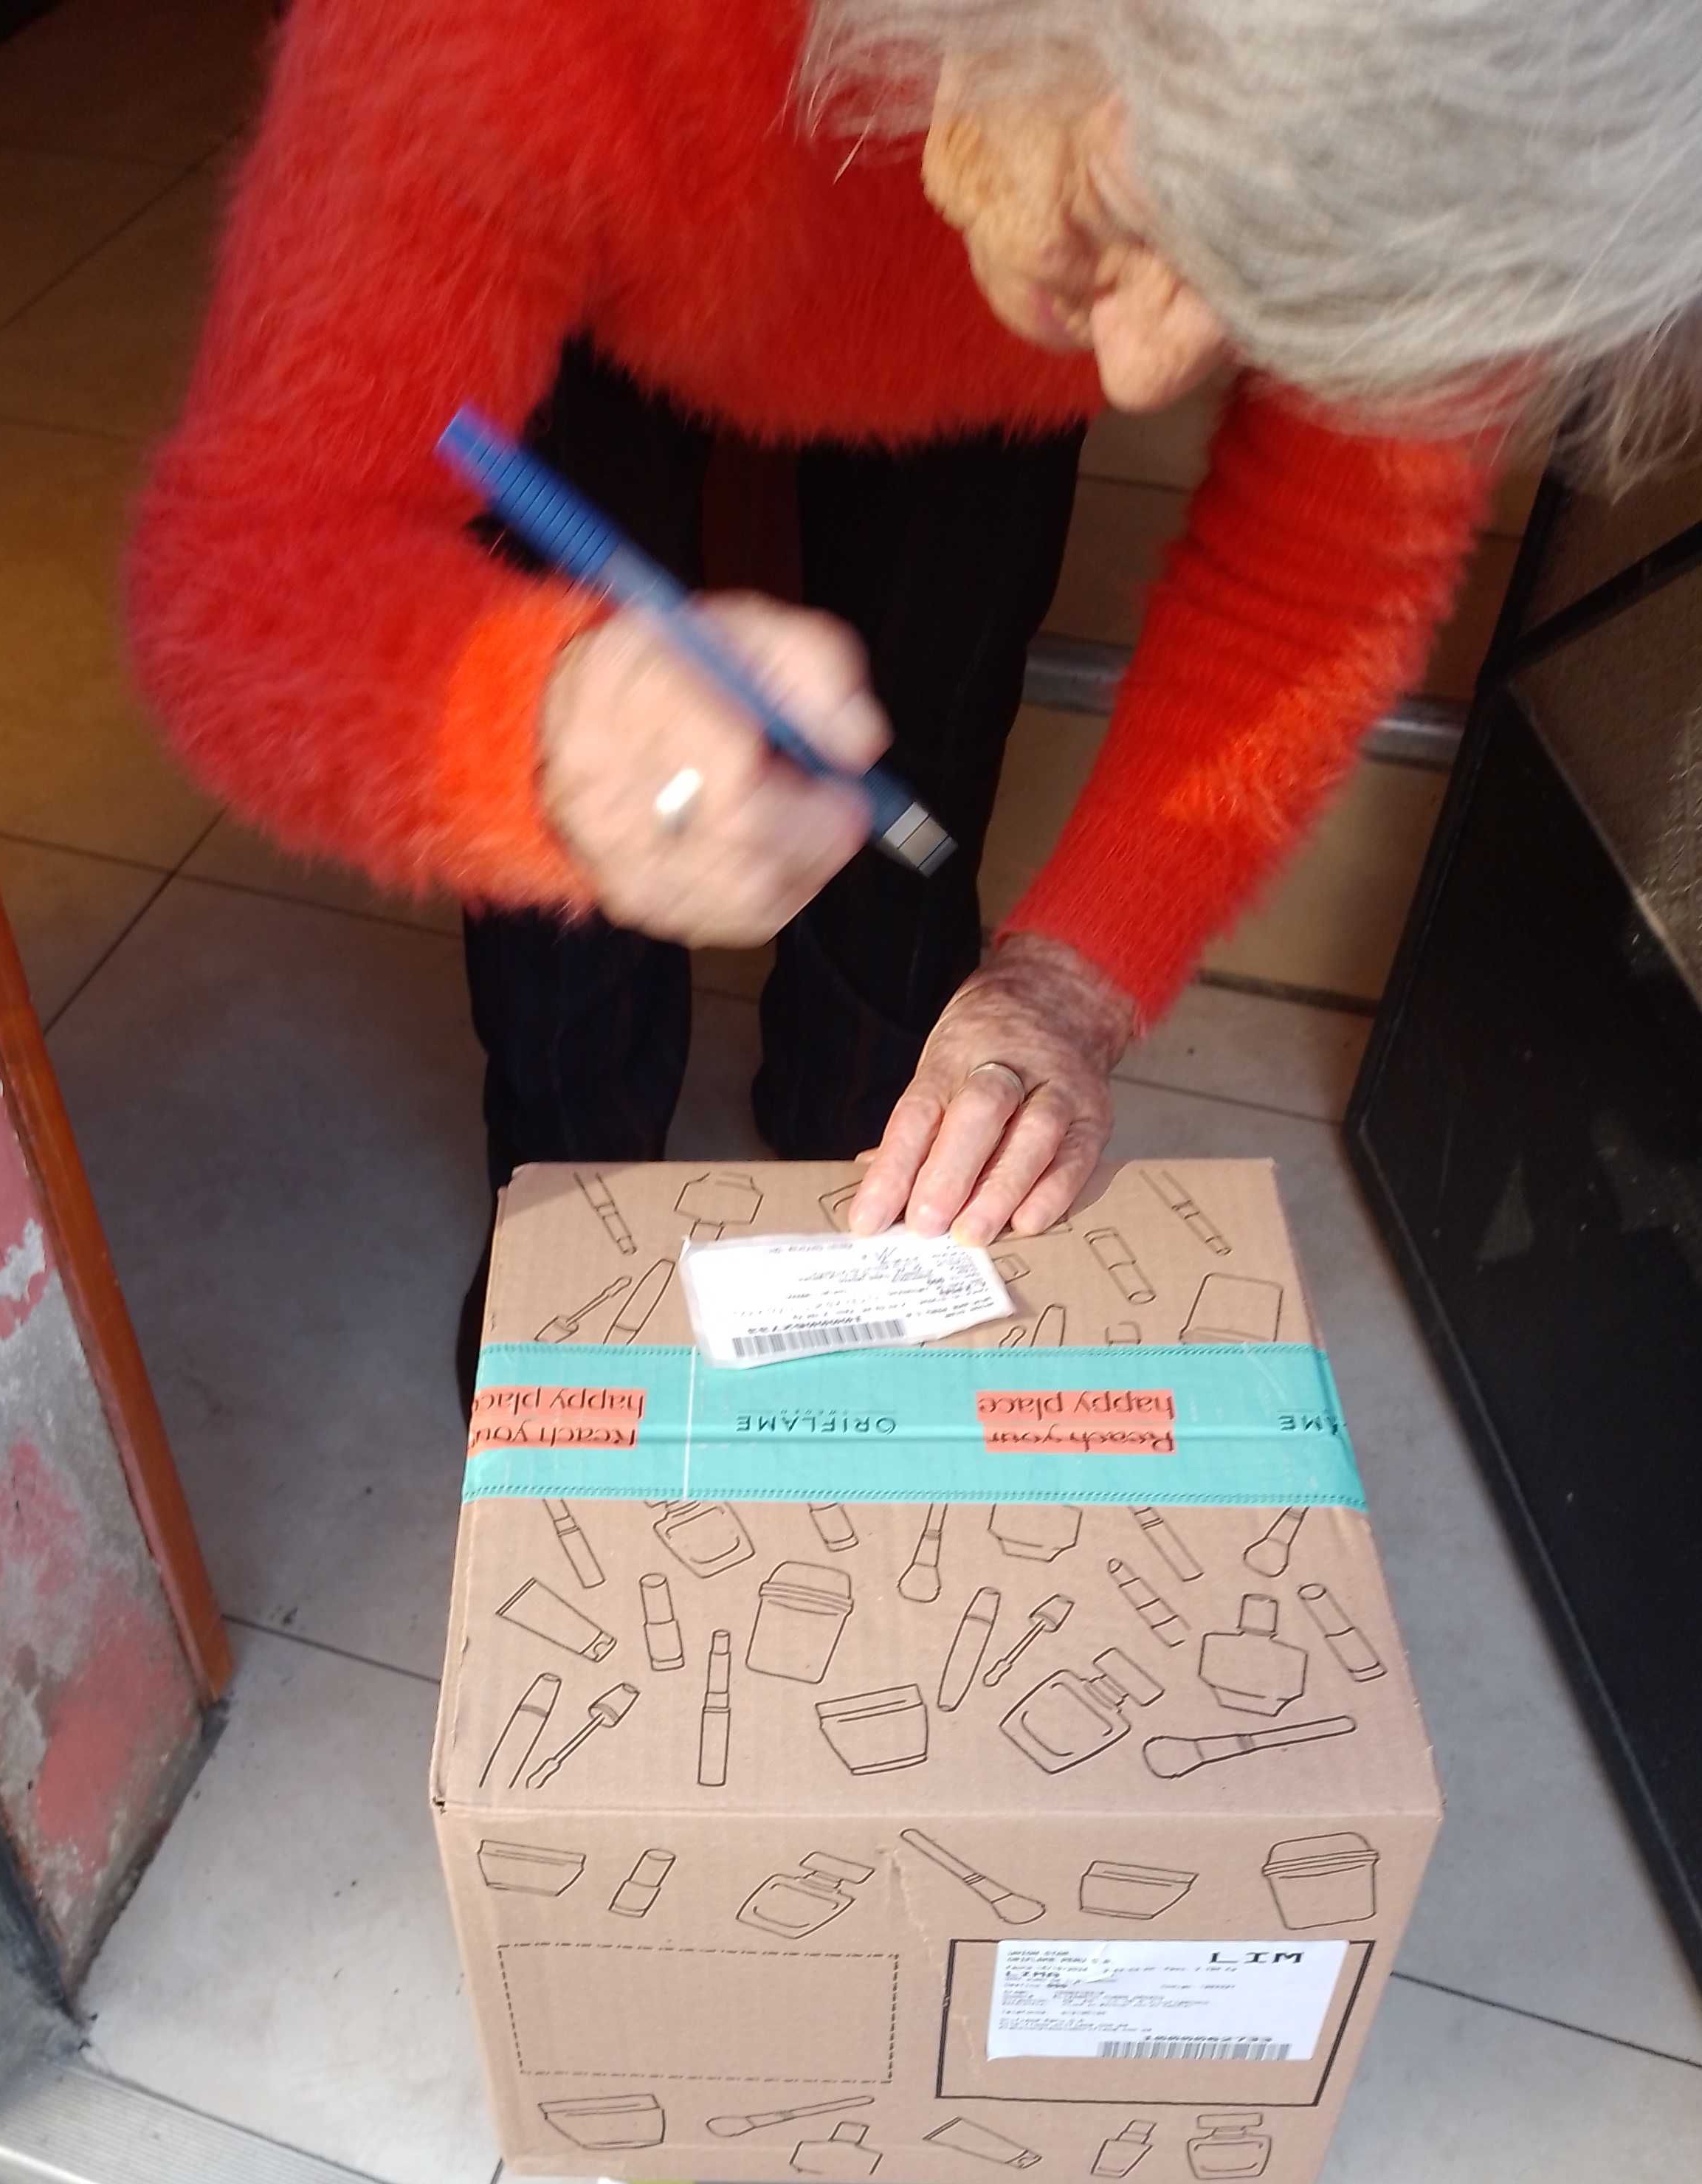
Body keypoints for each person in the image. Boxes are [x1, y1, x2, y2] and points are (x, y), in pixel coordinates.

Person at [126, 0, 1702, 1391]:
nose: (1146, 378)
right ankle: (570, 1180)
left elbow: (1320, 574)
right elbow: (247, 562)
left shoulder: (1509, 80)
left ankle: (850, 1134)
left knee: (925, 768)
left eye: (1275, 298)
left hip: (966, 270)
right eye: (1144, 216)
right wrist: (531, 739)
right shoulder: (503, 31)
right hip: (595, 291)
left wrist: (1071, 984)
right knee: (577, 900)